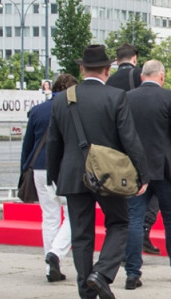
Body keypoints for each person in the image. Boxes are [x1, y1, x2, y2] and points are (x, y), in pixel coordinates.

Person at [46, 44, 149, 299]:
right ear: (107, 69)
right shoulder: (115, 97)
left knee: (81, 234)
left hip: (72, 174)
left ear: (81, 69)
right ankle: (101, 274)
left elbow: (53, 142)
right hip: (107, 174)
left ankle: (86, 291)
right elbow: (130, 139)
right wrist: (142, 174)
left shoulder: (62, 99)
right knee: (120, 222)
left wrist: (54, 175)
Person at [123, 60, 171, 290]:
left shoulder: (127, 98)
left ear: (142, 76)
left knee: (134, 220)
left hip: (136, 170)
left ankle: (132, 272)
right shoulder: (170, 98)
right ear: (162, 76)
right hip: (166, 169)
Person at [20, 72, 78, 284]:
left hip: (39, 169)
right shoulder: (73, 109)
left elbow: (28, 145)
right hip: (65, 168)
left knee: (50, 217)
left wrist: (23, 171)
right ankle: (56, 253)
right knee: (75, 215)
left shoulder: (37, 111)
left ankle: (50, 267)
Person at [105, 43, 159, 255]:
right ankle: (143, 230)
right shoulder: (139, 76)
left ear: (117, 61)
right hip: (138, 141)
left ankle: (123, 245)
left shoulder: (108, 80)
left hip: (115, 143)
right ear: (135, 58)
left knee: (122, 194)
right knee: (151, 188)